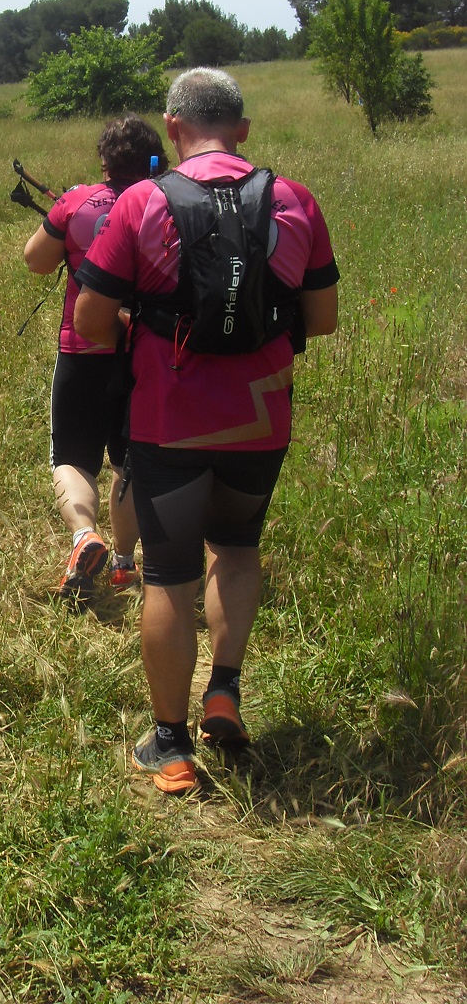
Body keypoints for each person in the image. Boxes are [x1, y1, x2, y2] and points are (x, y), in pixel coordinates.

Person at [74, 69, 339, 793]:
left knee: (167, 575)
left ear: (173, 127)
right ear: (243, 130)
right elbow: (323, 319)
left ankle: (170, 744)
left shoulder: (142, 202)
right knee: (239, 549)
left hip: (170, 417)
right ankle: (225, 688)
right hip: (261, 413)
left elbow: (90, 323)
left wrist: (142, 321)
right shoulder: (294, 200)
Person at [24, 115, 168, 605]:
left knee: (71, 458)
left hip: (83, 348)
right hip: (144, 352)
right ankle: (126, 564)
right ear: (154, 157)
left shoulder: (77, 201)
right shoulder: (166, 201)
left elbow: (36, 259)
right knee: (128, 461)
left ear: (105, 159)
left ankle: (85, 534)